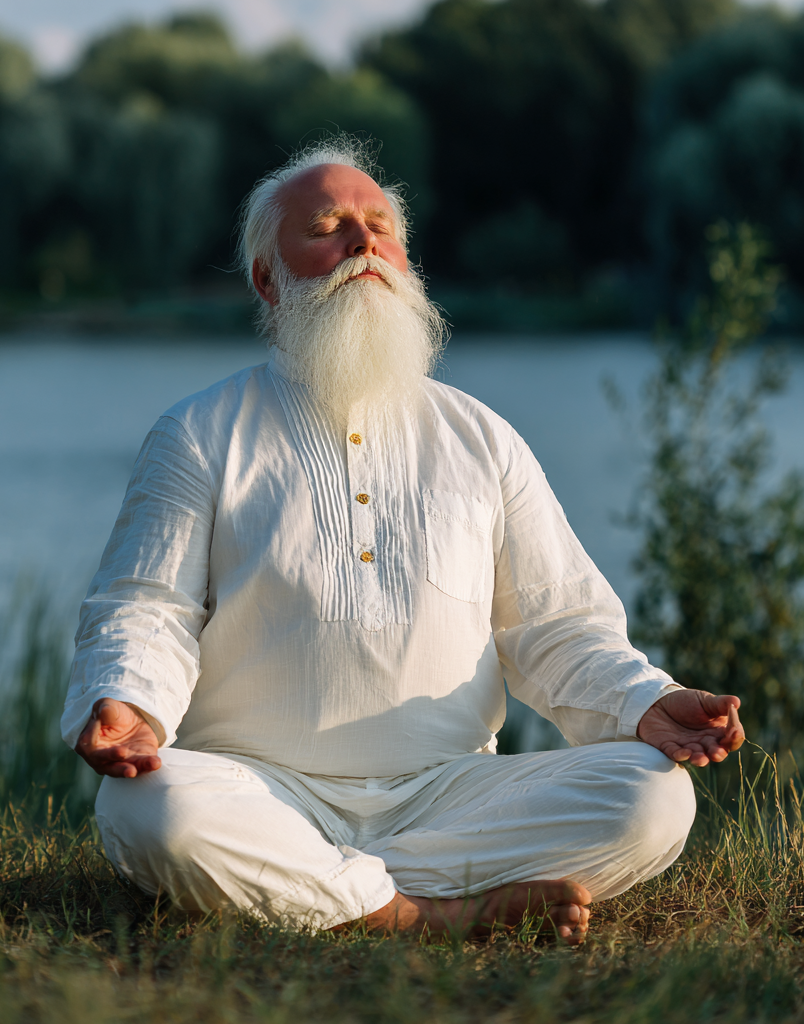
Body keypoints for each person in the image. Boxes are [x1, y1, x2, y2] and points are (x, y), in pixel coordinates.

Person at [61, 139, 744, 945]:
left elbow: (557, 625)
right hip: (257, 786)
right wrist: (127, 701)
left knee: (653, 796)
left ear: (407, 266)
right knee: (148, 807)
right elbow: (150, 606)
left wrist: (646, 703)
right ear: (267, 280)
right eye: (328, 226)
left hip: (450, 793)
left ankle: (314, 884)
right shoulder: (202, 433)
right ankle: (422, 908)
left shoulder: (480, 437)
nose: (362, 244)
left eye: (381, 227)